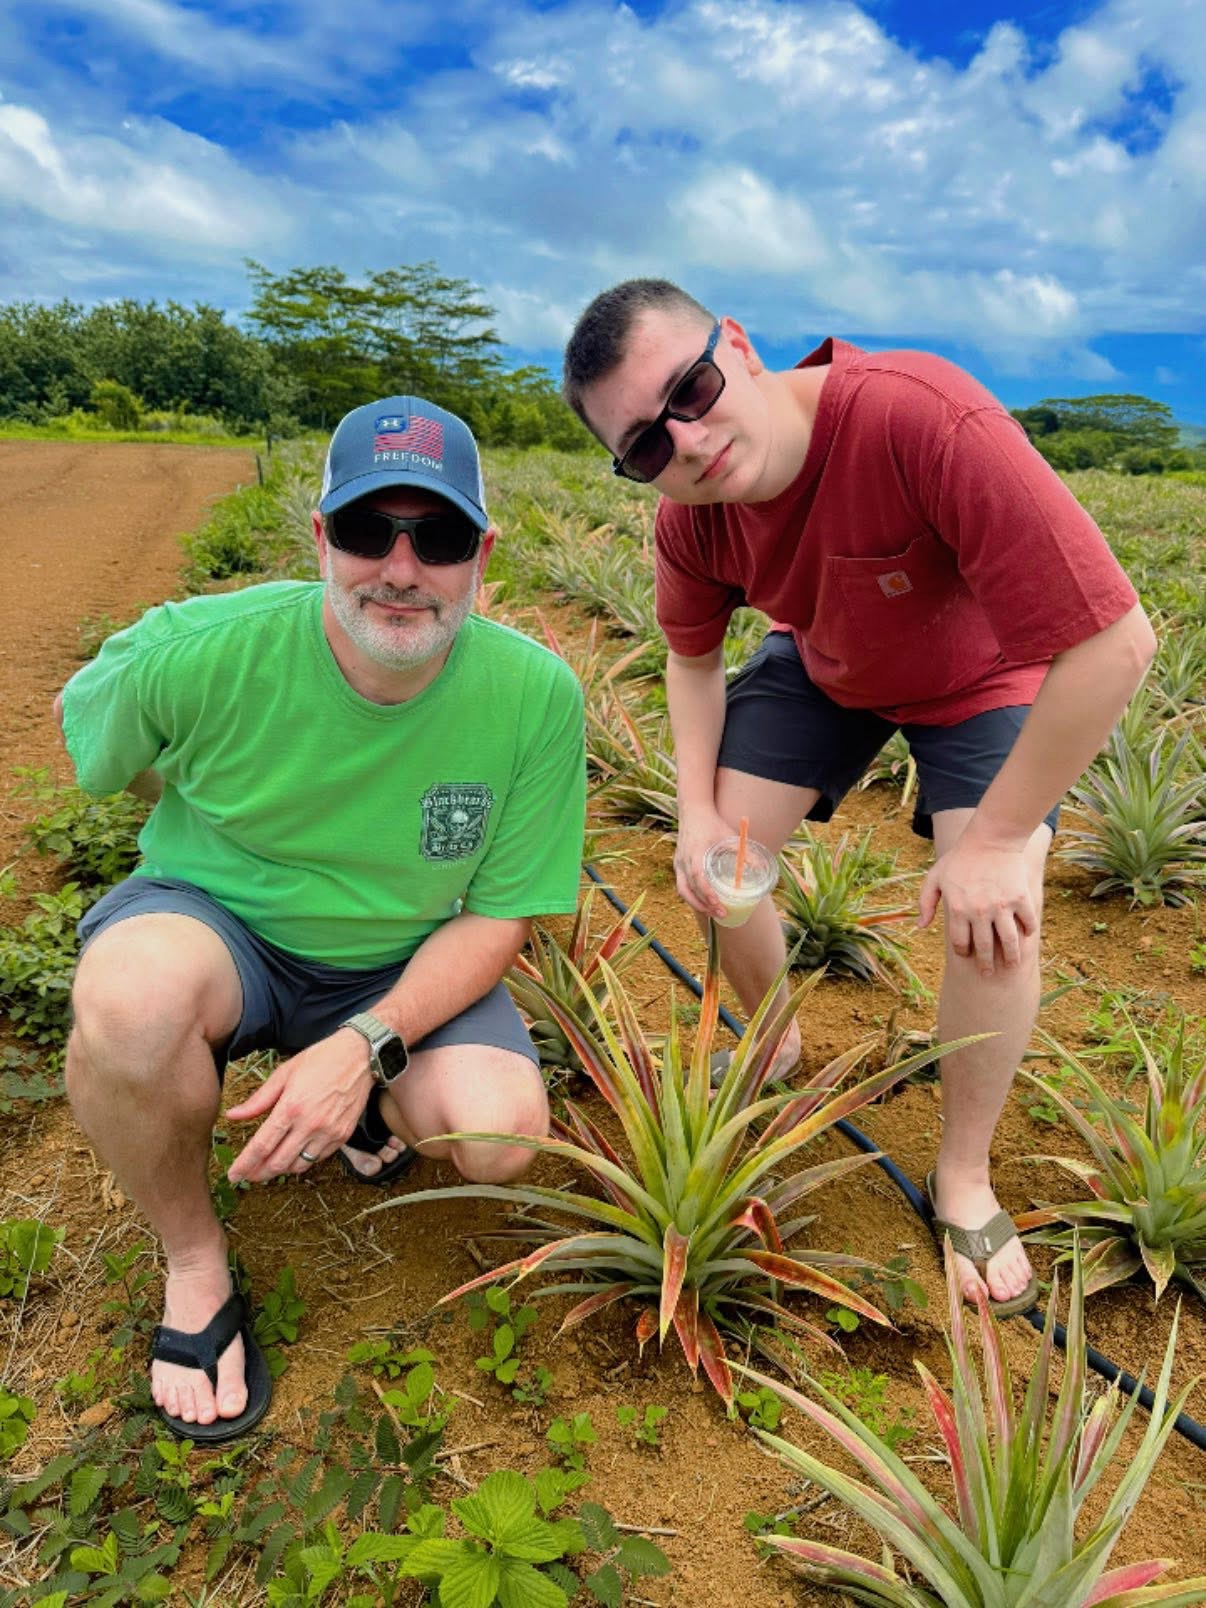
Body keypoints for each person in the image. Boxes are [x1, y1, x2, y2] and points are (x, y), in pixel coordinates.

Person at [562, 279, 1155, 1317]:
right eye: (647, 446)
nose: (688, 445)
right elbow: (691, 663)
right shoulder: (690, 522)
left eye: (692, 390)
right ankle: (777, 1031)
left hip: (982, 677)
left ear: (737, 345)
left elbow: (1116, 644)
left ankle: (962, 1174)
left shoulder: (917, 416)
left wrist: (1000, 838)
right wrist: (697, 815)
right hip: (828, 663)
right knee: (722, 869)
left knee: (996, 916)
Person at [56, 396, 586, 1440]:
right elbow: (100, 759)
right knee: (129, 1001)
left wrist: (367, 1041)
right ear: (319, 538)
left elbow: (500, 919)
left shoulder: (536, 696)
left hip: (398, 964)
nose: (399, 566)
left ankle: (369, 1099)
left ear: (481, 551)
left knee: (499, 1133)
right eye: (365, 531)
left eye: (434, 536)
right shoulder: (205, 650)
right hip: (223, 930)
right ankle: (196, 1259)